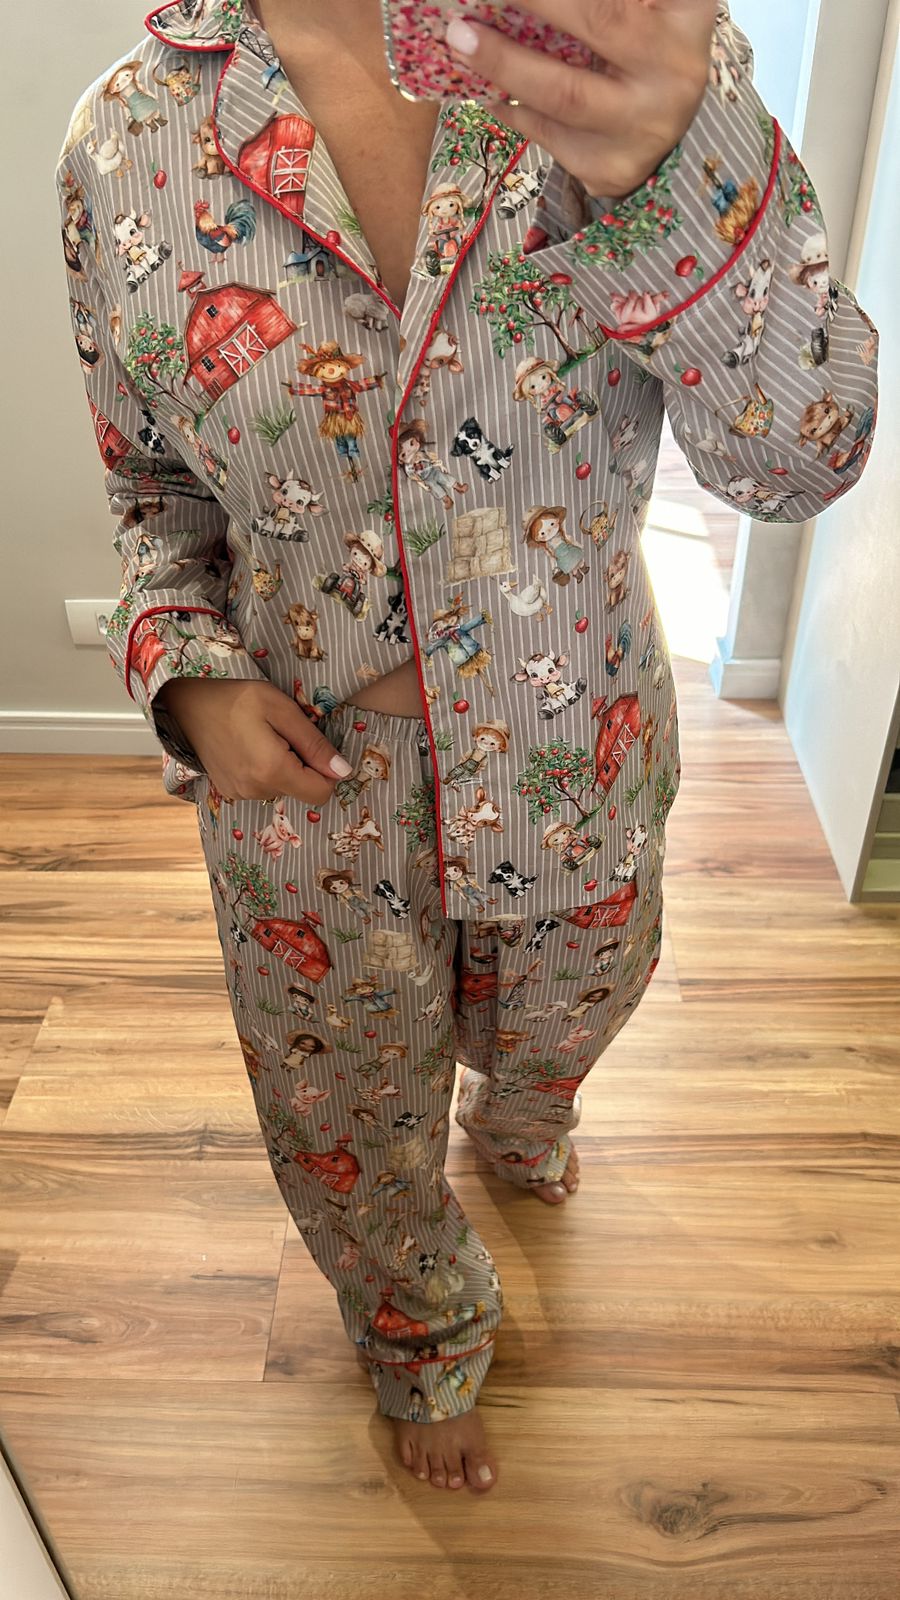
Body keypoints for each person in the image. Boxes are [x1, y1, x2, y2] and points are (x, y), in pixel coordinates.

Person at [55, 0, 879, 1497]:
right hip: (309, 794)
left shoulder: (623, 64)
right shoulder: (125, 136)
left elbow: (800, 456)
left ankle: (527, 1110)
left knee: (577, 1010)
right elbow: (151, 493)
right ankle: (420, 1331)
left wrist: (679, 177)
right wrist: (185, 676)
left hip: (579, 744)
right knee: (346, 1116)